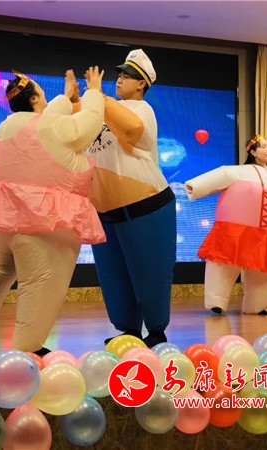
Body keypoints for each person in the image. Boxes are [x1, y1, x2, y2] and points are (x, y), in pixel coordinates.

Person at [0, 67, 106, 356]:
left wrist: (66, 97)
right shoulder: (52, 127)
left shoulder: (2, 130)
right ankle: (28, 346)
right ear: (35, 99)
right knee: (41, 282)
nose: (47, 100)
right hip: (40, 222)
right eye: (43, 95)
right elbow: (89, 122)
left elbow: (47, 120)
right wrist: (94, 92)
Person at [83, 49, 177, 348]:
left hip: (146, 207)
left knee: (150, 271)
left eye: (128, 76)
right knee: (114, 275)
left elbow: (133, 129)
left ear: (142, 84)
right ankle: (128, 328)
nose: (120, 80)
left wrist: (98, 96)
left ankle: (157, 330)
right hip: (106, 211)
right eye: (120, 75)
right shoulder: (104, 111)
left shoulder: (141, 109)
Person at [185, 134, 267, 315]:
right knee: (224, 263)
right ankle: (216, 301)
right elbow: (214, 178)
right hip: (234, 233)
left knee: (266, 271)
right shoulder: (236, 172)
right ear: (253, 152)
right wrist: (195, 186)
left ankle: (257, 305)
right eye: (263, 146)